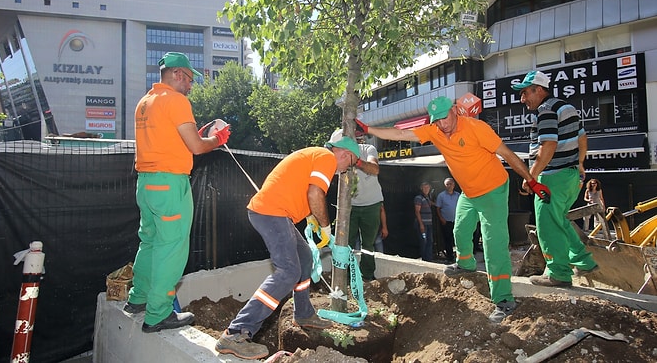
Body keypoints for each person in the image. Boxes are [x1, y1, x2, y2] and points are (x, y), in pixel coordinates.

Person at [356, 96, 550, 322]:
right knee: (460, 230)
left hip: (493, 190)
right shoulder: (434, 131)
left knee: (493, 244)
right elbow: (400, 134)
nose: (442, 124)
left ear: (455, 111)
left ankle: (504, 299)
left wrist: (532, 180)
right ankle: (466, 264)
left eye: (445, 117)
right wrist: (368, 128)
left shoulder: (477, 128)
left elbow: (507, 154)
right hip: (469, 192)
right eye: (437, 120)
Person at [215, 134, 362, 359]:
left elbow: (305, 192)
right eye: (348, 165)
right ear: (345, 154)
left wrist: (311, 218)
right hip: (272, 212)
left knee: (304, 260)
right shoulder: (326, 157)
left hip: (275, 213)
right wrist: (325, 226)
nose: (343, 171)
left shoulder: (316, 155)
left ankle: (303, 313)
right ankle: (236, 332)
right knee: (288, 271)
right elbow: (315, 193)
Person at [125, 52, 231, 333]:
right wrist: (217, 140)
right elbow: (197, 147)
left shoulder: (145, 102)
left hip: (146, 184)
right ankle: (158, 314)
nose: (191, 85)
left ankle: (138, 299)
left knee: (149, 242)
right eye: (189, 79)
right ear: (177, 74)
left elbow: (174, 139)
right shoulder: (176, 100)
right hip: (169, 183)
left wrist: (202, 135)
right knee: (171, 248)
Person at [514, 71, 598, 287]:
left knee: (546, 226)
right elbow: (582, 138)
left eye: (525, 93)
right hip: (569, 177)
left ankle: (558, 273)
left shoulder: (546, 110)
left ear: (539, 90)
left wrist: (530, 177)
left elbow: (548, 146)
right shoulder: (566, 107)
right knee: (559, 220)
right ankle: (583, 261)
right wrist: (579, 164)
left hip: (552, 177)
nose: (522, 99)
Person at [343, 129, 385, 281]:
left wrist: (357, 161)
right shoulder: (340, 154)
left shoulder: (368, 149)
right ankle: (346, 277)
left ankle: (367, 275)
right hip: (350, 207)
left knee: (368, 243)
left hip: (371, 204)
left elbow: (375, 169)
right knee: (346, 243)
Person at [435, 178, 460, 263]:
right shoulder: (441, 196)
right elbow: (438, 208)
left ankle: (459, 257)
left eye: (450, 184)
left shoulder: (458, 195)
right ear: (445, 186)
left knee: (457, 239)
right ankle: (450, 257)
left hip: (457, 221)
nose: (449, 186)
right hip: (446, 221)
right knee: (448, 239)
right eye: (447, 184)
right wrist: (442, 218)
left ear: (454, 185)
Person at [414, 181, 435, 261]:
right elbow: (417, 211)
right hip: (423, 225)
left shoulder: (427, 198)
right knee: (424, 241)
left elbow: (432, 203)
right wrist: (421, 224)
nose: (426, 189)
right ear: (421, 188)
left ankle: (429, 259)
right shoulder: (419, 198)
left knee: (430, 241)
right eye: (424, 188)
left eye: (428, 187)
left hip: (429, 224)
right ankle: (424, 259)